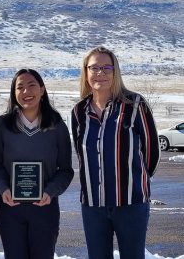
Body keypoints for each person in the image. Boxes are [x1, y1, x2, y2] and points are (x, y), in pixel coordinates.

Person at [71, 46, 161, 259]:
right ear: (86, 72)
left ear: (115, 71)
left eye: (106, 67)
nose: (100, 73)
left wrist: (134, 182)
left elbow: (152, 154)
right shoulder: (78, 112)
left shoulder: (135, 105)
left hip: (131, 203)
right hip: (93, 205)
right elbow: (82, 154)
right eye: (94, 67)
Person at [0, 68, 74, 259]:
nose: (26, 92)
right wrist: (4, 189)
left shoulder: (56, 125)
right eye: (20, 87)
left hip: (45, 208)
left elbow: (66, 170)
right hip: (10, 209)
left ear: (42, 89)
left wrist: (50, 192)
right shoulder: (2, 125)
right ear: (14, 93)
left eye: (31, 85)